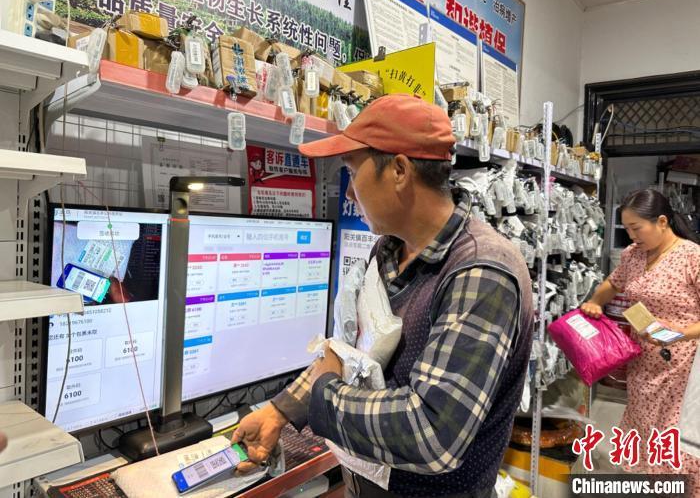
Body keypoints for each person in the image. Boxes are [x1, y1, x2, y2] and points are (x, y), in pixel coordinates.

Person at [233, 94, 534, 498]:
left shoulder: (481, 272)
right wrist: (279, 411)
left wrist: (324, 397)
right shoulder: (389, 249)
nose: (350, 194)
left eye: (352, 171)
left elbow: (433, 433)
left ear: (399, 170)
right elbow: (348, 353)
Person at [581, 189, 700, 495]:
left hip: (683, 367)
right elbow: (614, 283)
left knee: (676, 436)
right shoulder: (633, 255)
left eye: (637, 228)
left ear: (662, 221)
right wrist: (595, 301)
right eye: (628, 229)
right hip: (643, 361)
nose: (632, 236)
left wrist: (681, 331)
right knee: (646, 428)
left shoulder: (692, 257)